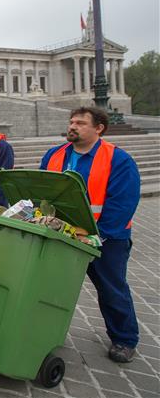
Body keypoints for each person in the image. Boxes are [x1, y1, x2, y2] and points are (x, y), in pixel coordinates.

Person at [40, 107, 140, 363]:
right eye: (72, 122)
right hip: (61, 235)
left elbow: (122, 204)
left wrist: (100, 236)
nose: (73, 126)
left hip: (105, 240)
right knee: (49, 286)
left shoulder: (118, 159)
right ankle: (43, 332)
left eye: (81, 123)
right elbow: (41, 188)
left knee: (111, 289)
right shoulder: (54, 154)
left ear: (99, 128)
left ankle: (124, 339)